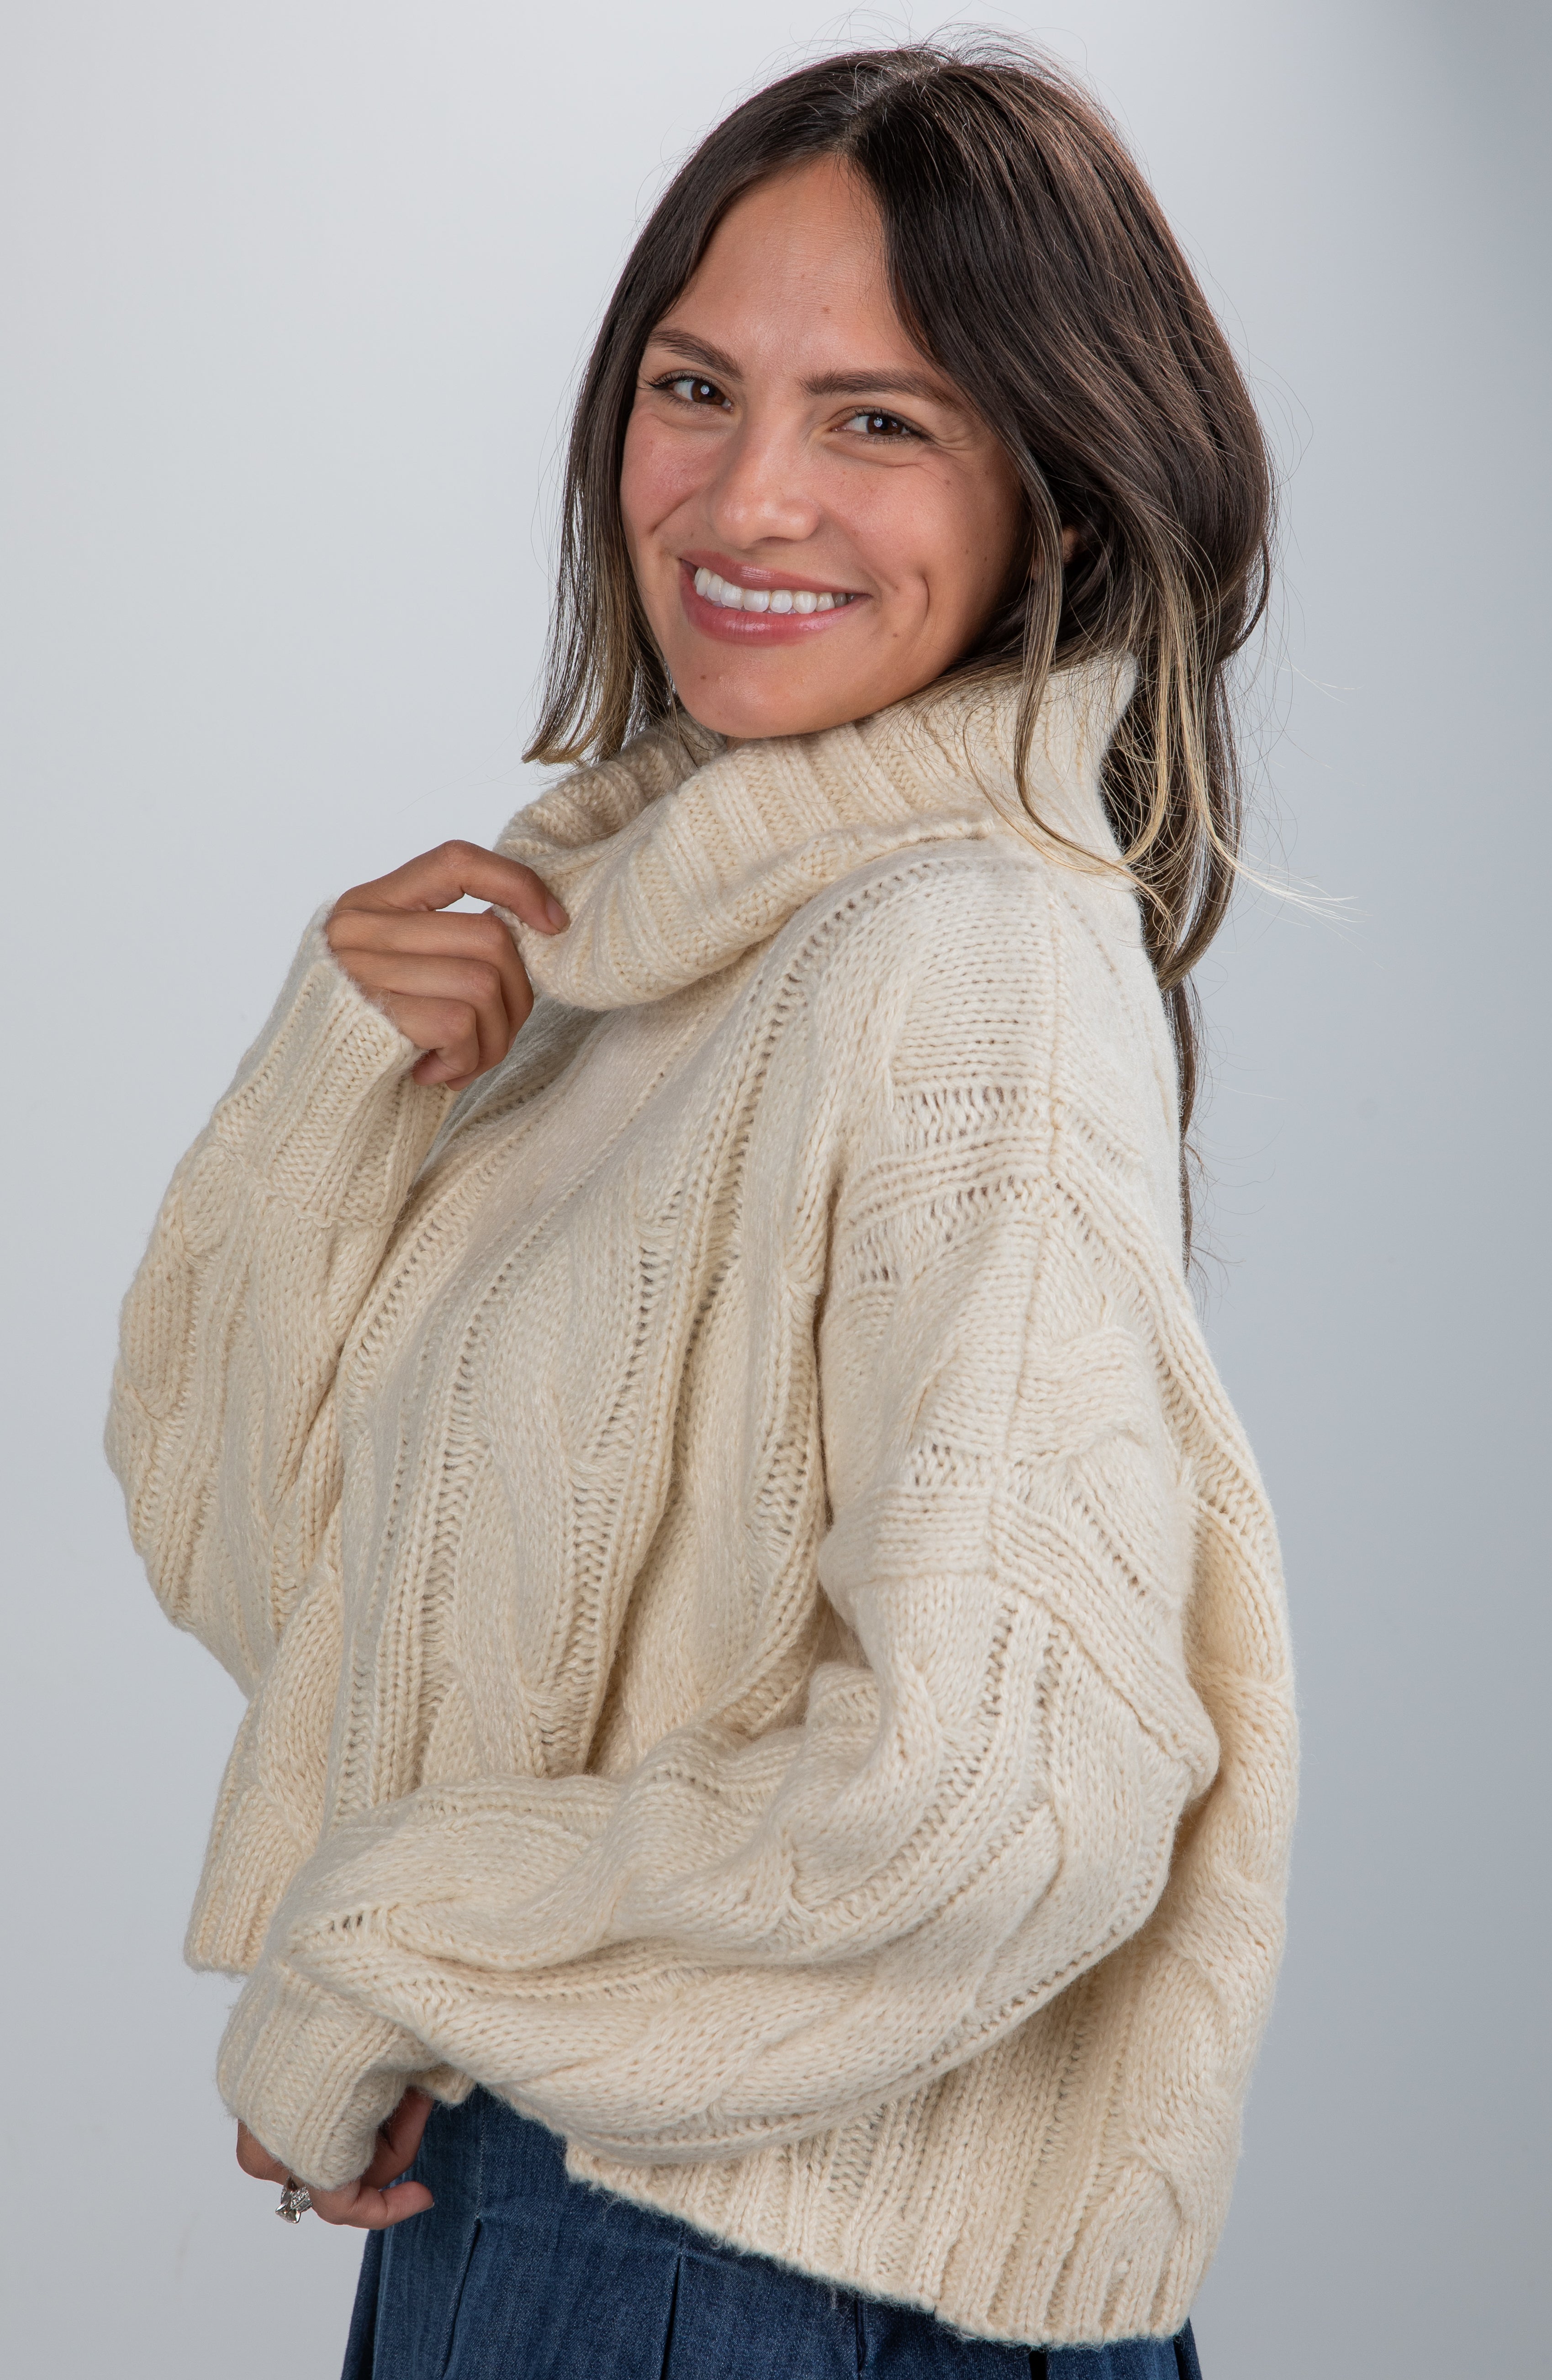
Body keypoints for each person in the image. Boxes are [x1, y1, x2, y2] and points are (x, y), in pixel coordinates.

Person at [107, 40, 1296, 2380]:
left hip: (716, 2254)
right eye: (693, 386)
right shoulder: (642, 930)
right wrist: (333, 1088)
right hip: (580, 2203)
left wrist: (381, 1954)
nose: (747, 496)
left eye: (879, 417)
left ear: (1049, 494)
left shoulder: (949, 952)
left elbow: (1012, 1789)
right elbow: (267, 1570)